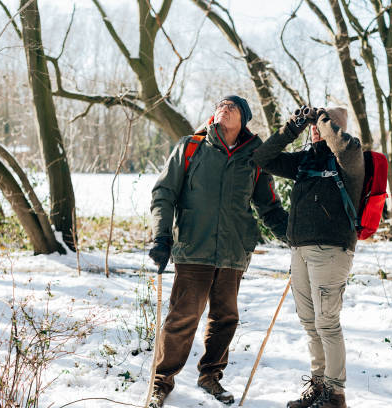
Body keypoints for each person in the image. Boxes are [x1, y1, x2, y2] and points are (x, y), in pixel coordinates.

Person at [148, 95, 288, 407]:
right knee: (183, 317)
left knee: (226, 318)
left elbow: (269, 206)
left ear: (245, 119)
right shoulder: (191, 147)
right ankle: (160, 382)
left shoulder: (254, 156)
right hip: (193, 247)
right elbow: (164, 192)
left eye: (233, 106)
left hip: (233, 252)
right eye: (220, 105)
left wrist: (293, 236)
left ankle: (210, 377)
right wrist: (161, 238)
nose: (224, 108)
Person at [252, 107, 364, 408]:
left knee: (327, 322)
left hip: (332, 249)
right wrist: (293, 127)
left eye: (324, 125)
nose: (317, 128)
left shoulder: (350, 159)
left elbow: (346, 146)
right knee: (309, 322)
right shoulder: (304, 161)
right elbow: (261, 158)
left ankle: (336, 394)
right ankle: (319, 386)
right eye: (314, 125)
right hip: (299, 250)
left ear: (337, 127)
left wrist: (324, 120)